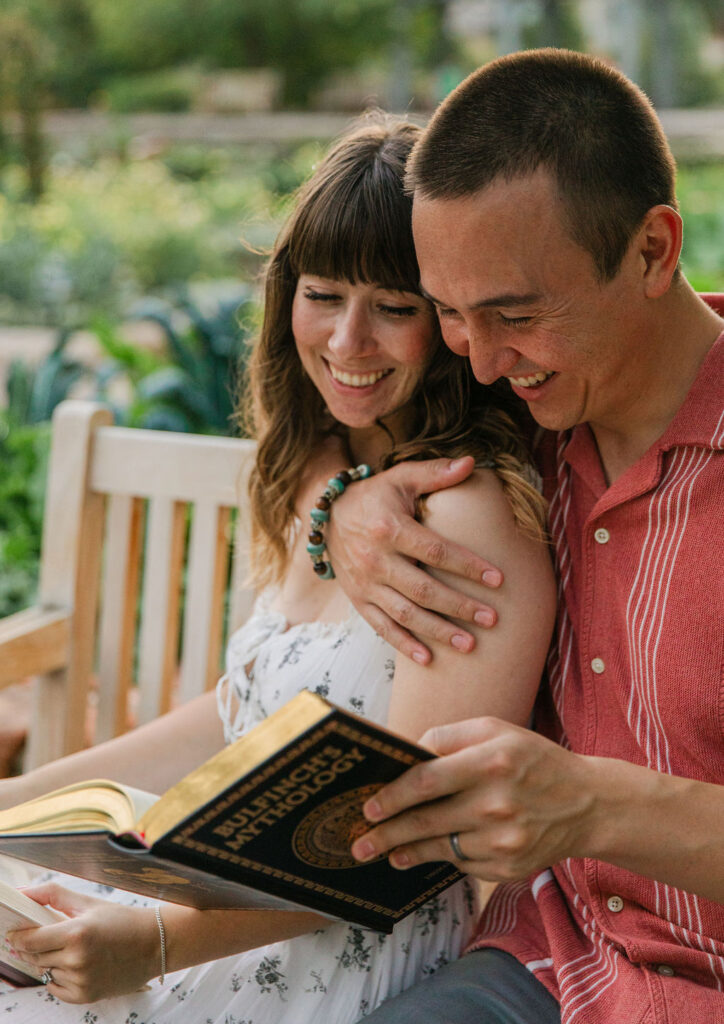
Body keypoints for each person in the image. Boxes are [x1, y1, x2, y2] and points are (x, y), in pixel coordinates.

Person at [0, 113, 556, 1022]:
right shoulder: (323, 475)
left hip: (327, 950)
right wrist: (17, 803)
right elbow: (238, 711)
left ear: (453, 323)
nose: (348, 342)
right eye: (325, 294)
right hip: (208, 906)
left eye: (397, 307)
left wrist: (152, 942)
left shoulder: (464, 521)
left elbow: (410, 839)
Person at [310, 50, 724, 1023]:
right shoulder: (519, 423)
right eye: (452, 316)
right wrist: (352, 500)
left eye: (514, 316)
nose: (485, 362)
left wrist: (596, 805)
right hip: (548, 964)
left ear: (653, 250)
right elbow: (329, 422)